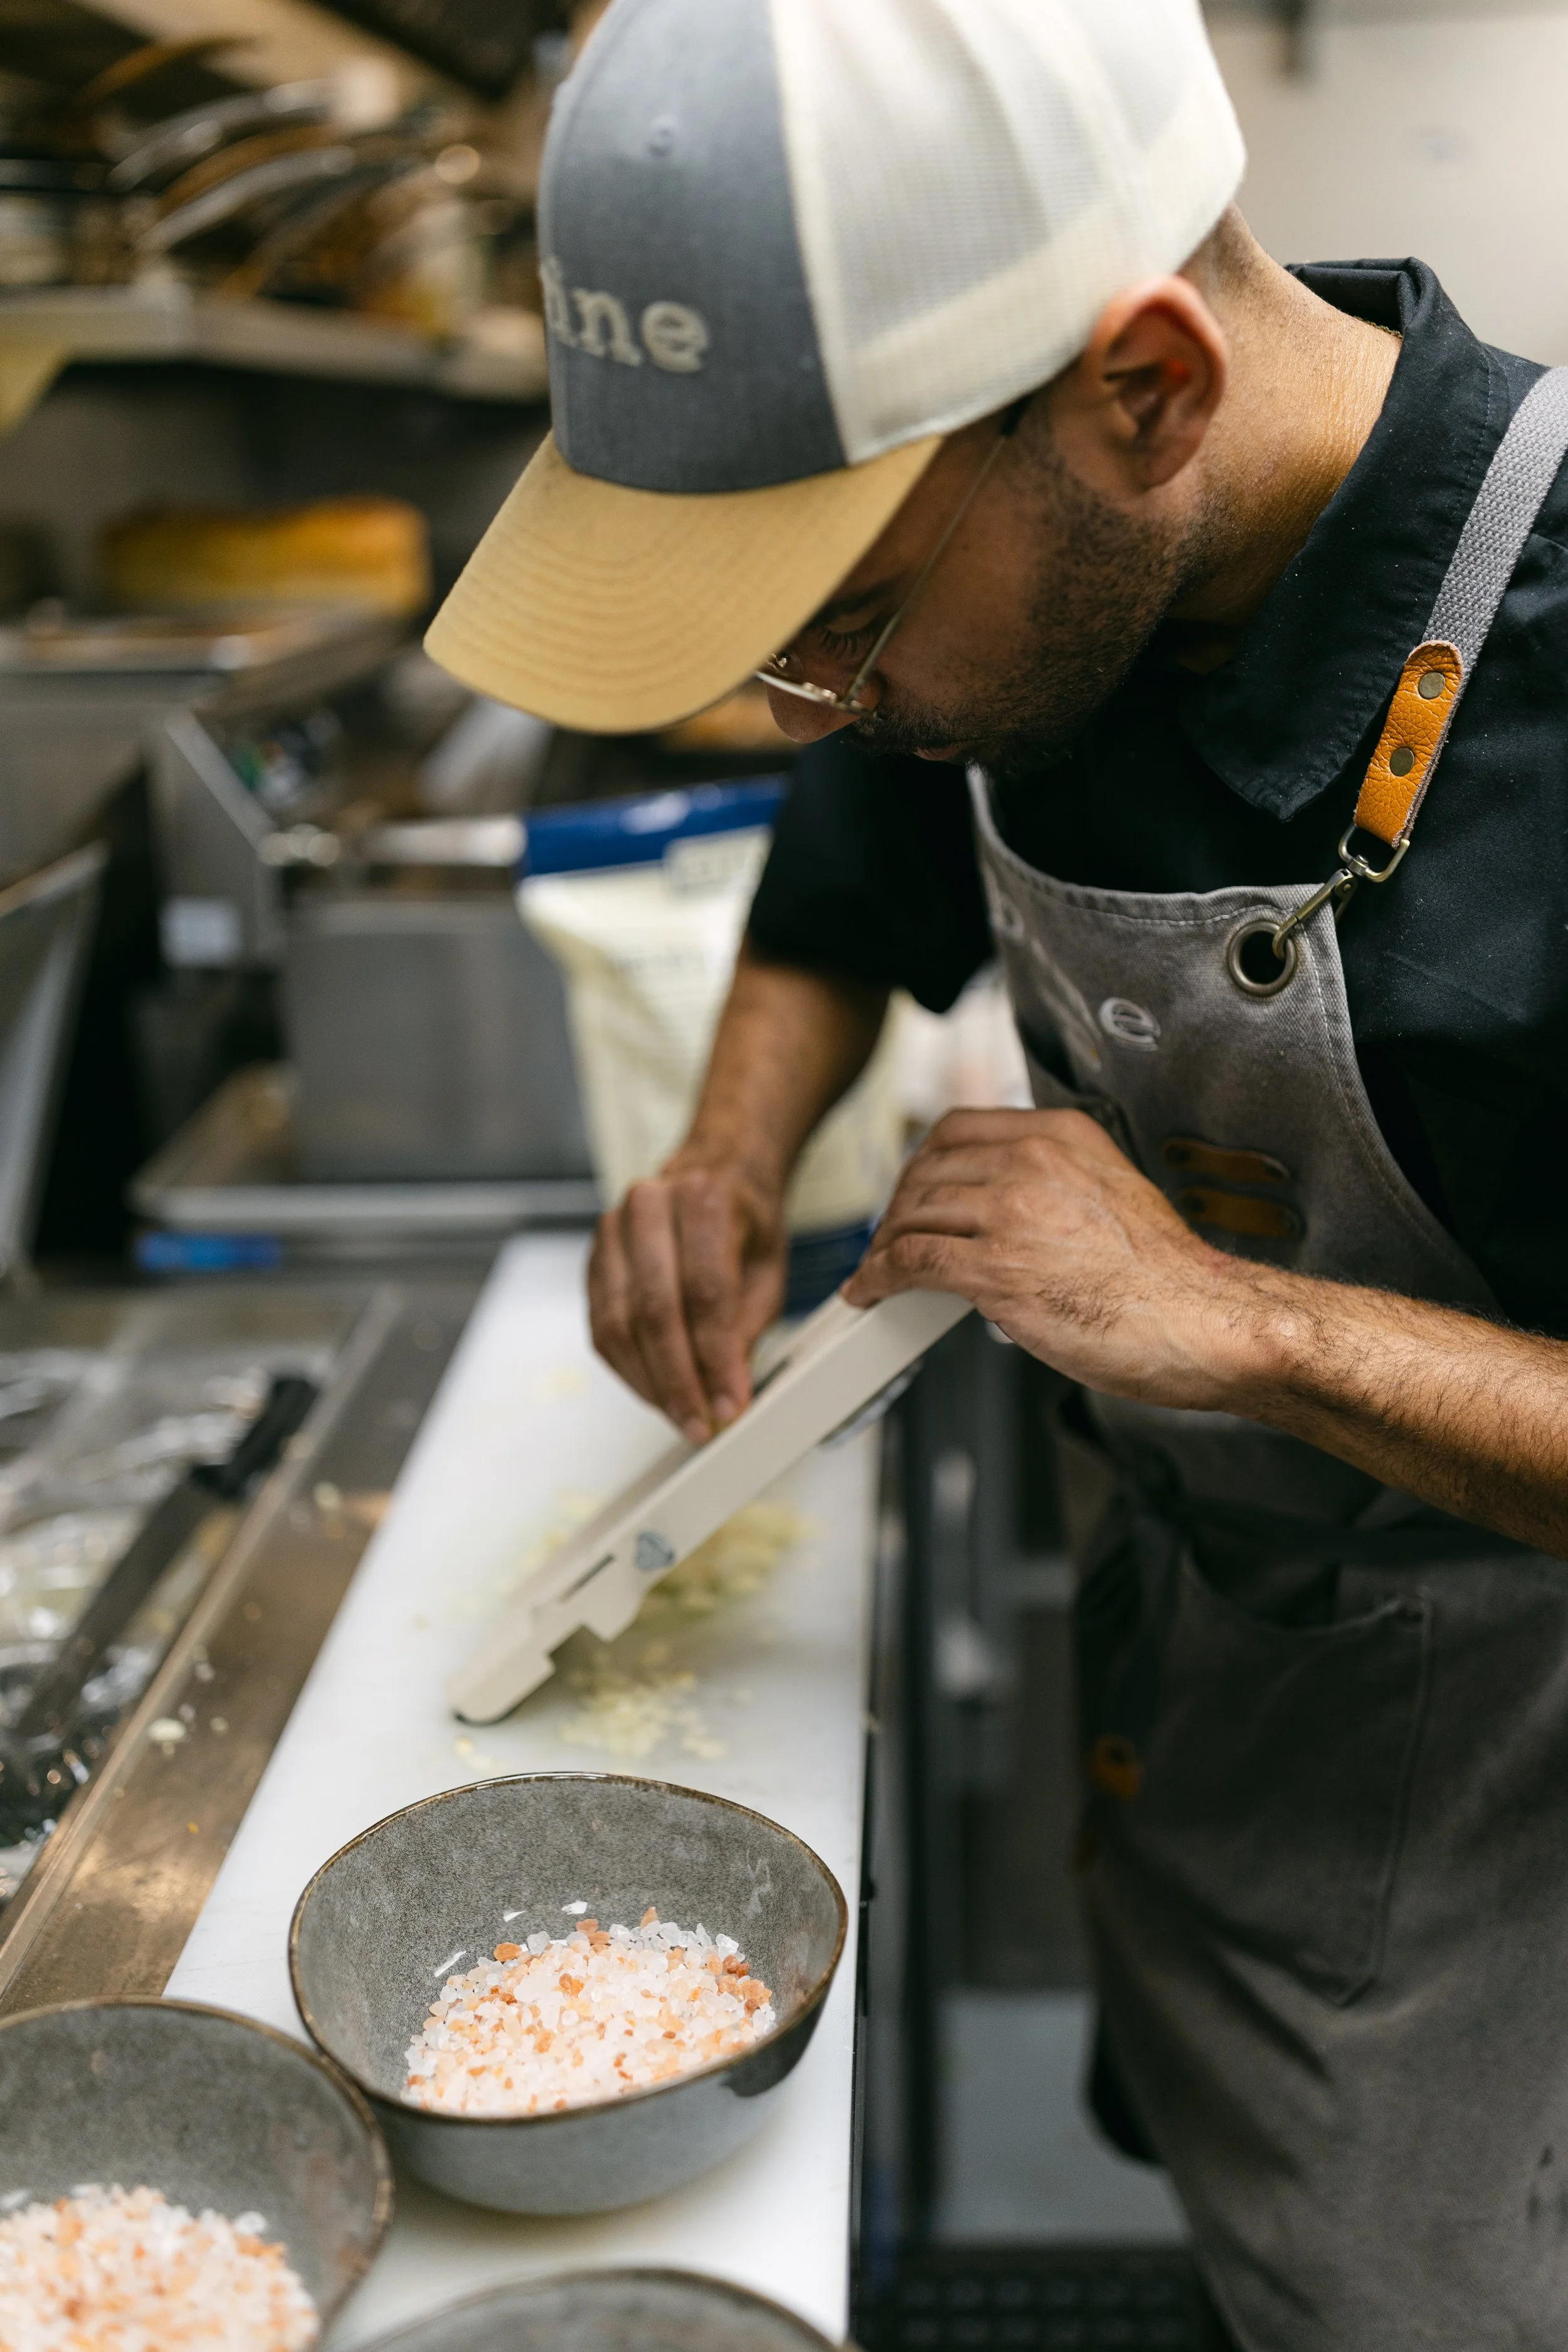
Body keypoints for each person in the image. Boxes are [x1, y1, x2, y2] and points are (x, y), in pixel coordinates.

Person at [427, 3, 1568, 2343]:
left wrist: (1231, 1321)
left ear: (1142, 387)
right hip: (1206, 1663)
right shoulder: (1027, 572)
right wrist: (731, 1146)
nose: (817, 696)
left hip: (1504, 1831)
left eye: (840, 621)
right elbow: (861, 856)